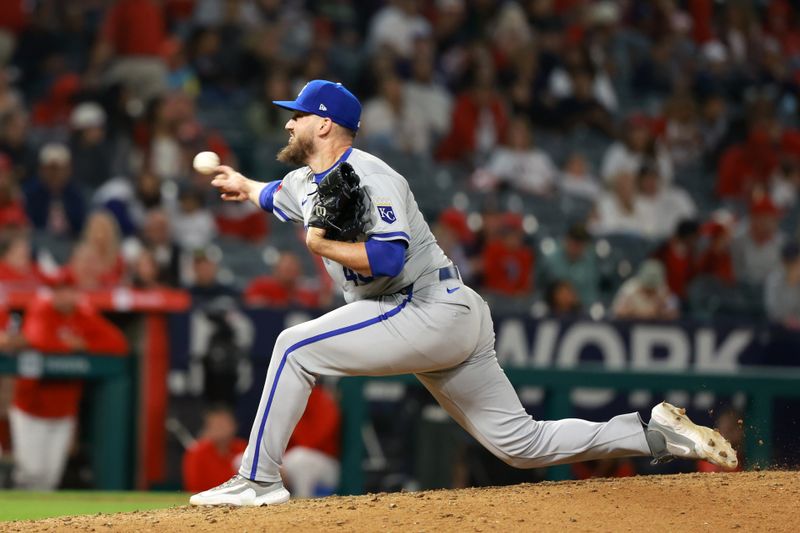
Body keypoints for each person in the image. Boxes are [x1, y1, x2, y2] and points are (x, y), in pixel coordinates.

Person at [189, 79, 737, 507]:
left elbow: (387, 258)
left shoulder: (369, 176)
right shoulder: (308, 180)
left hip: (426, 305)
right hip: (439, 315)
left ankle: (257, 480)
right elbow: (277, 195)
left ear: (326, 125)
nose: (289, 123)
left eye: (299, 114)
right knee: (521, 446)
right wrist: (245, 184)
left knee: (292, 347)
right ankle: (653, 435)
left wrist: (324, 247)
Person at [10, 275, 128, 490]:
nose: (64, 296)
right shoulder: (41, 309)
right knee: (30, 472)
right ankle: (18, 523)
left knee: (50, 477)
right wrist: (71, 348)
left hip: (64, 411)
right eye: (59, 290)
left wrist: (85, 345)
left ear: (76, 293)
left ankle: (40, 524)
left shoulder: (84, 315)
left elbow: (118, 342)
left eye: (68, 290)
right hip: (31, 408)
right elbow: (39, 340)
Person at [182, 405, 248, 493]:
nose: (220, 429)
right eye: (215, 425)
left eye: (223, 424)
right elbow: (193, 487)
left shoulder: (245, 449)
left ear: (234, 426)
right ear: (207, 428)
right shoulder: (196, 452)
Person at [612, 260, 680, 320]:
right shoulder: (630, 289)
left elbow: (674, 313)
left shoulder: (663, 290)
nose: (650, 289)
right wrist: (636, 312)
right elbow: (618, 312)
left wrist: (661, 311)